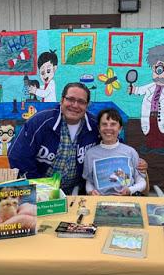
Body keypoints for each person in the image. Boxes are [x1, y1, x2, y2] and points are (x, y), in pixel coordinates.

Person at [8, 82, 147, 195]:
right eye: (70, 99)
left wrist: (137, 162)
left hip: (77, 192)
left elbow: (113, 143)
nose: (75, 105)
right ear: (62, 100)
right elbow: (17, 156)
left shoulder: (94, 125)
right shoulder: (40, 122)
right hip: (41, 192)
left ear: (87, 105)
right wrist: (38, 186)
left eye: (81, 101)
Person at [83, 108, 146, 196]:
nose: (108, 128)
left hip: (127, 200)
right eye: (104, 124)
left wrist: (130, 190)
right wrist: (91, 191)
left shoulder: (130, 152)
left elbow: (141, 181)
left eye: (113, 124)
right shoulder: (90, 154)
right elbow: (89, 182)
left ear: (120, 129)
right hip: (100, 202)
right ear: (99, 128)